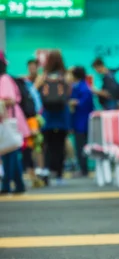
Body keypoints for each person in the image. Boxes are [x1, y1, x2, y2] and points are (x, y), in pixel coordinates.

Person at [35, 50, 71, 186]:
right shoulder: (65, 75)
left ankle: (48, 172)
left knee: (47, 145)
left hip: (47, 115)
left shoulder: (43, 76)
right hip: (62, 114)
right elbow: (68, 93)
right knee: (61, 145)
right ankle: (60, 175)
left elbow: (34, 92)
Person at [0, 50, 30, 194]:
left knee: (9, 153)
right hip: (7, 121)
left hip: (9, 121)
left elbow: (10, 99)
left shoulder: (4, 79)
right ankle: (19, 185)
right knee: (10, 152)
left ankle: (6, 185)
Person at [69, 66, 94, 177]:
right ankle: (83, 168)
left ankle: (84, 169)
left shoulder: (83, 88)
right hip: (79, 121)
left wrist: (74, 102)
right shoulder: (78, 86)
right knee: (80, 146)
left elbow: (84, 104)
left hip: (82, 122)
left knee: (81, 146)